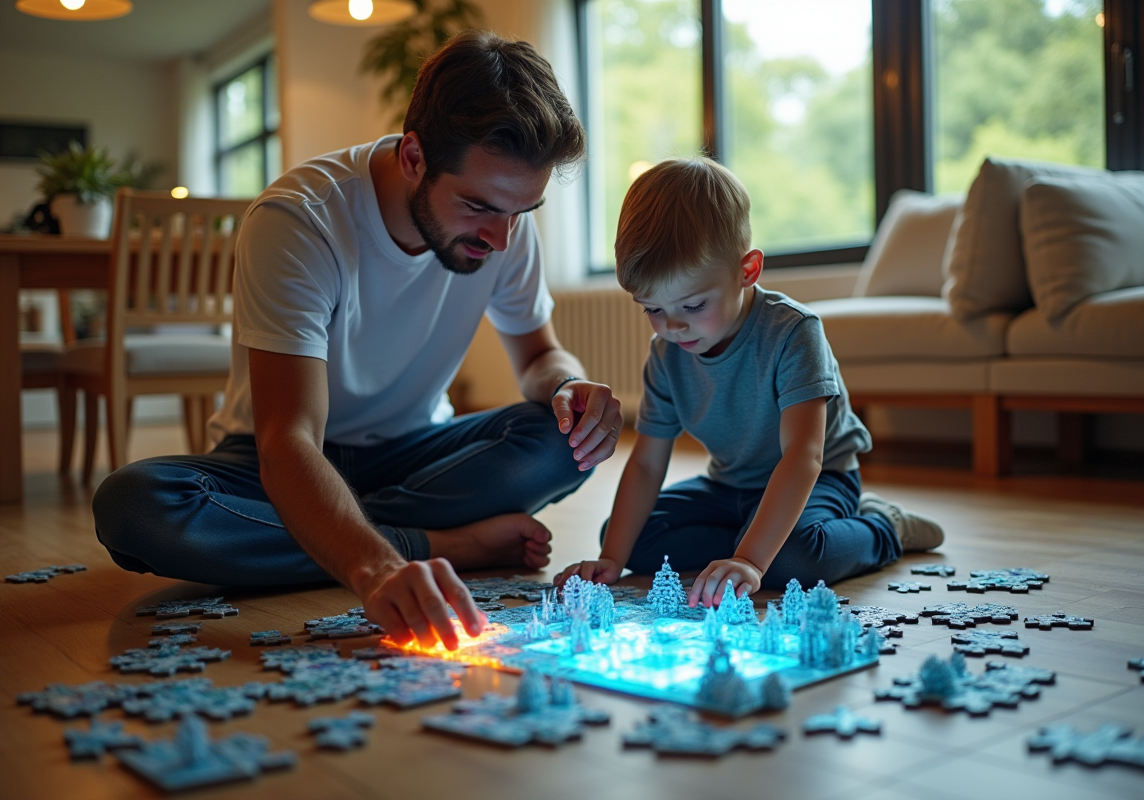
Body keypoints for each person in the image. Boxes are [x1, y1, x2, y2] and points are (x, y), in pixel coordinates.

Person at [93, 32, 623, 650]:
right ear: (415, 157)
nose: (501, 238)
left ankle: (327, 529)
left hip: (415, 452)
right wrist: (378, 568)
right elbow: (287, 439)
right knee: (134, 506)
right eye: (479, 206)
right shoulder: (298, 219)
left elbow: (537, 356)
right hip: (278, 457)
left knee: (564, 441)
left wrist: (568, 387)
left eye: (520, 213)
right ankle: (437, 543)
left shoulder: (503, 224)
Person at [554, 157, 943, 607]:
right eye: (653, 309)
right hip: (729, 487)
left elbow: (804, 456)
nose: (673, 327)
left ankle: (883, 526)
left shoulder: (793, 332)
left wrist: (752, 562)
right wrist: (611, 558)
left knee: (789, 562)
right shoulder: (665, 354)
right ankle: (749, 535)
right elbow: (645, 464)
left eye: (694, 306)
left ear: (748, 270)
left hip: (821, 479)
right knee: (632, 539)